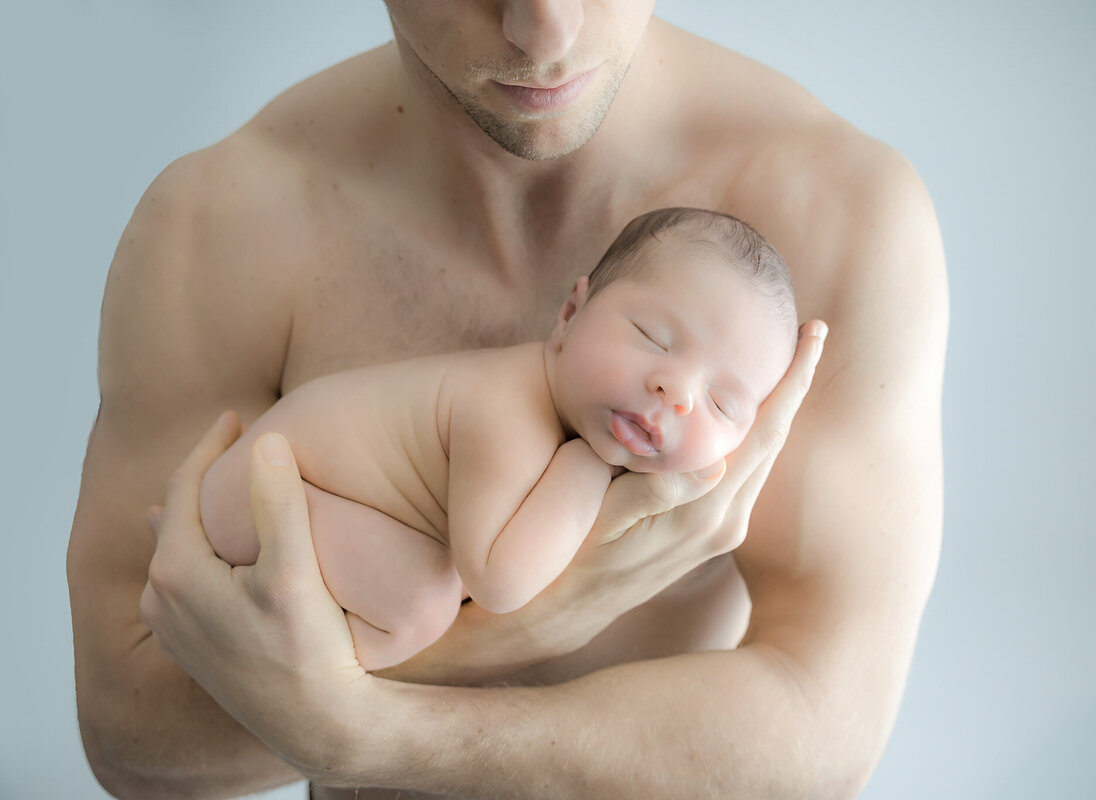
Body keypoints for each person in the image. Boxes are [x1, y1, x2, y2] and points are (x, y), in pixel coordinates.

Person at [67, 3, 947, 799]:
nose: (545, 31)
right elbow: (130, 737)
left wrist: (367, 732)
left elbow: (828, 726)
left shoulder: (836, 209)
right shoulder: (224, 223)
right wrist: (527, 625)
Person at [200, 207, 800, 670]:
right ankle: (302, 689)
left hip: (290, 495)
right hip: (269, 493)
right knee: (421, 603)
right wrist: (584, 469)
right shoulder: (506, 408)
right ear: (570, 312)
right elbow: (500, 582)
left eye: (722, 403)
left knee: (424, 588)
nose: (677, 392)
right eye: (653, 336)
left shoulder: (551, 406)